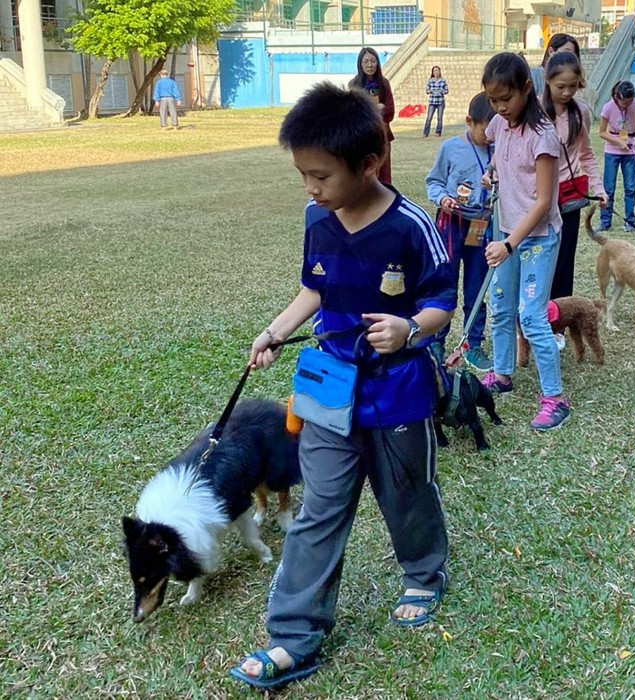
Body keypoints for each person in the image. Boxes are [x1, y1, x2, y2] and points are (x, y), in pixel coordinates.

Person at [229, 82, 455, 692]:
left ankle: (424, 574)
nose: (311, 187)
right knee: (319, 508)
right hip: (328, 386)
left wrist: (410, 328)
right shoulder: (318, 219)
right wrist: (275, 331)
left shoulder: (411, 226)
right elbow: (316, 288)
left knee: (405, 492)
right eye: (303, 174)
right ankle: (294, 635)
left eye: (321, 175)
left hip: (399, 391)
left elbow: (443, 302)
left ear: (369, 163)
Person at [479, 52, 570, 431]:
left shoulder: (543, 135)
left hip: (535, 238)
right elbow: (499, 158)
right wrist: (490, 172)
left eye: (507, 98)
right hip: (507, 233)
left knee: (531, 317)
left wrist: (509, 243)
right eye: (494, 100)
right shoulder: (499, 125)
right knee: (500, 307)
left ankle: (555, 398)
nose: (500, 107)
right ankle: (501, 374)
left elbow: (545, 201)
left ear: (527, 89)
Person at [425, 92, 495, 370]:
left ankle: (473, 343)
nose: (490, 137)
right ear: (469, 121)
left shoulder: (499, 148)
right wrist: (443, 198)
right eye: (485, 130)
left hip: (481, 225)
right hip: (450, 224)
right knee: (445, 284)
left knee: (476, 286)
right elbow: (434, 182)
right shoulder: (450, 148)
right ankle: (436, 341)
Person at [541, 51, 608, 300]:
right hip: (535, 196)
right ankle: (532, 320)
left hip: (568, 198)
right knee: (537, 257)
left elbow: (586, 155)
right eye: (561, 86)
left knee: (564, 259)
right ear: (547, 80)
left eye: (573, 86)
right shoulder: (533, 110)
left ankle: (558, 318)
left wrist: (599, 188)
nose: (567, 92)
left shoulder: (581, 112)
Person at [598, 80, 635, 232]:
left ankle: (630, 221)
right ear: (617, 97)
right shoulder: (608, 107)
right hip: (612, 151)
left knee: (631, 187)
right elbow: (602, 132)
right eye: (625, 103)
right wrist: (617, 142)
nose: (628, 105)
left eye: (630, 102)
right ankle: (605, 222)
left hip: (630, 150)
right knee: (609, 189)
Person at [349, 47, 395, 184]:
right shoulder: (354, 85)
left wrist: (371, 110)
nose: (370, 65)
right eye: (366, 62)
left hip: (383, 134)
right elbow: (355, 113)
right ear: (360, 64)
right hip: (363, 136)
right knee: (366, 171)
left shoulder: (384, 83)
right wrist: (377, 108)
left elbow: (390, 111)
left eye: (373, 61)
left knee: (384, 173)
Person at [530, 33, 580, 97]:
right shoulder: (534, 75)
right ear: (551, 51)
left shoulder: (581, 106)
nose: (566, 93)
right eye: (560, 86)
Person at [423, 66, 448, 138]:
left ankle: (438, 132)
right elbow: (427, 90)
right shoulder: (430, 80)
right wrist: (430, 91)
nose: (436, 72)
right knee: (429, 118)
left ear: (440, 72)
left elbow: (446, 90)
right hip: (432, 101)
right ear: (433, 73)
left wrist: (442, 92)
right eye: (435, 71)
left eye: (437, 71)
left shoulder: (443, 80)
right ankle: (425, 133)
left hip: (440, 101)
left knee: (439, 118)